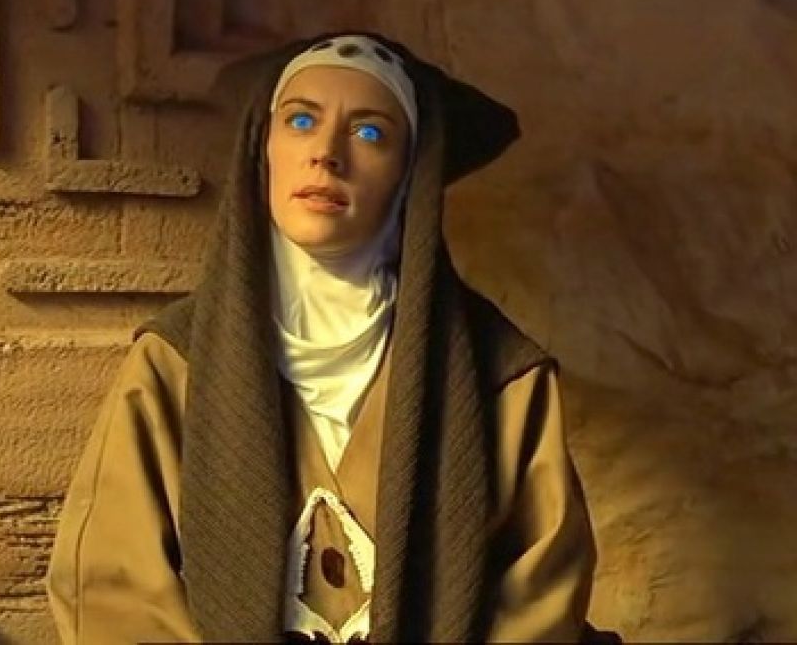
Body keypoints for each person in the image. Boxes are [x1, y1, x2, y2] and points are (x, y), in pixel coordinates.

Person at [46, 32, 602, 643]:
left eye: (369, 133)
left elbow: (542, 593)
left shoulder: (504, 378)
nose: (326, 155)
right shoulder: (173, 364)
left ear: (410, 173)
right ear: (264, 149)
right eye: (302, 121)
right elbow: (109, 588)